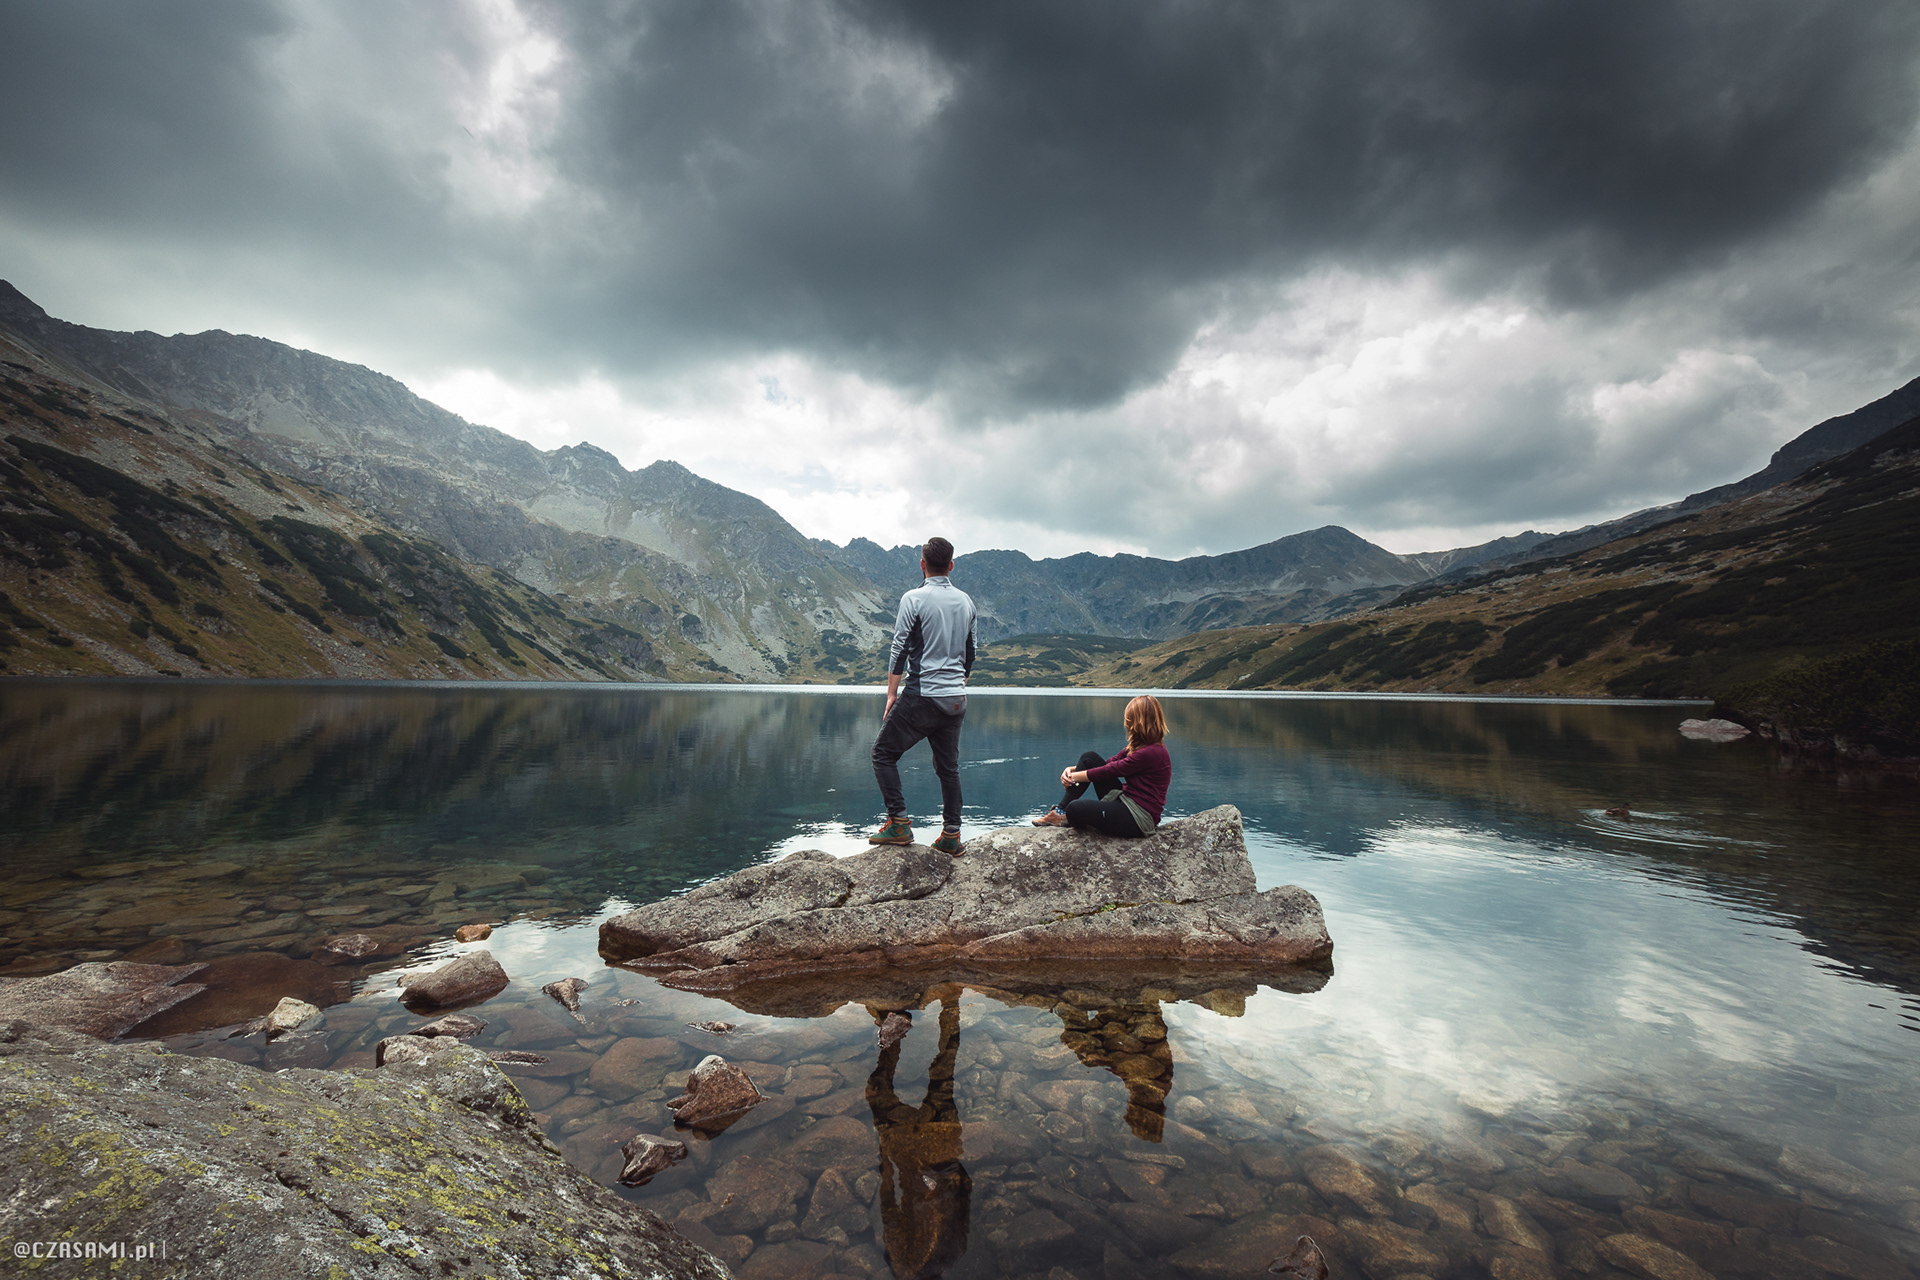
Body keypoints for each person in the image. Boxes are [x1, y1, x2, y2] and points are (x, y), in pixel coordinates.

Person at [870, 536, 977, 856]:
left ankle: (899, 823)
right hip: (956, 700)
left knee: (882, 754)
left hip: (922, 695)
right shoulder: (967, 602)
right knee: (949, 768)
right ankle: (952, 836)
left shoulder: (913, 599)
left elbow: (899, 647)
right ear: (951, 565)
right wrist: (957, 684)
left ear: (922, 564)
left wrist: (891, 694)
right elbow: (971, 653)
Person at [1033, 694, 1170, 836]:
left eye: (1129, 719)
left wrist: (1073, 777)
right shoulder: (1140, 746)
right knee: (1089, 758)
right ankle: (1059, 813)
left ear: (1137, 722)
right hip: (1126, 800)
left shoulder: (1151, 752)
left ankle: (1067, 815)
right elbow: (1110, 763)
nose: (1126, 724)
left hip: (1139, 817)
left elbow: (1111, 770)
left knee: (1075, 809)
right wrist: (1071, 770)